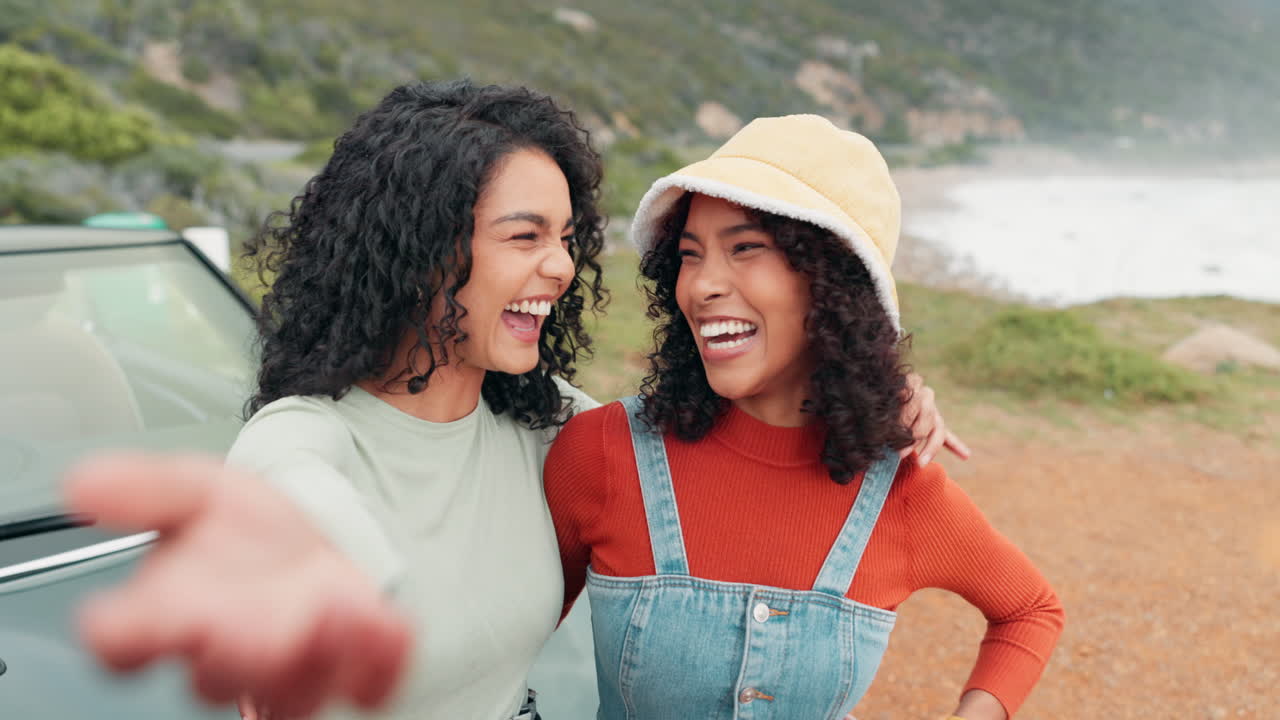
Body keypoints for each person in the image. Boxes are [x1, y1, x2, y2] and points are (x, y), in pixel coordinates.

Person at [62, 84, 965, 719]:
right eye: (524, 235)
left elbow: (724, 452)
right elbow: (301, 506)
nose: (562, 268)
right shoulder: (305, 439)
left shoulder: (550, 425)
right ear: (417, 251)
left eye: (567, 238)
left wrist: (872, 393)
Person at [543, 115, 1064, 720]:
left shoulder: (900, 493)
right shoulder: (604, 453)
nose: (704, 284)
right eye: (690, 255)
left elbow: (1030, 611)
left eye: (745, 248)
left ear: (831, 281)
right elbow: (495, 649)